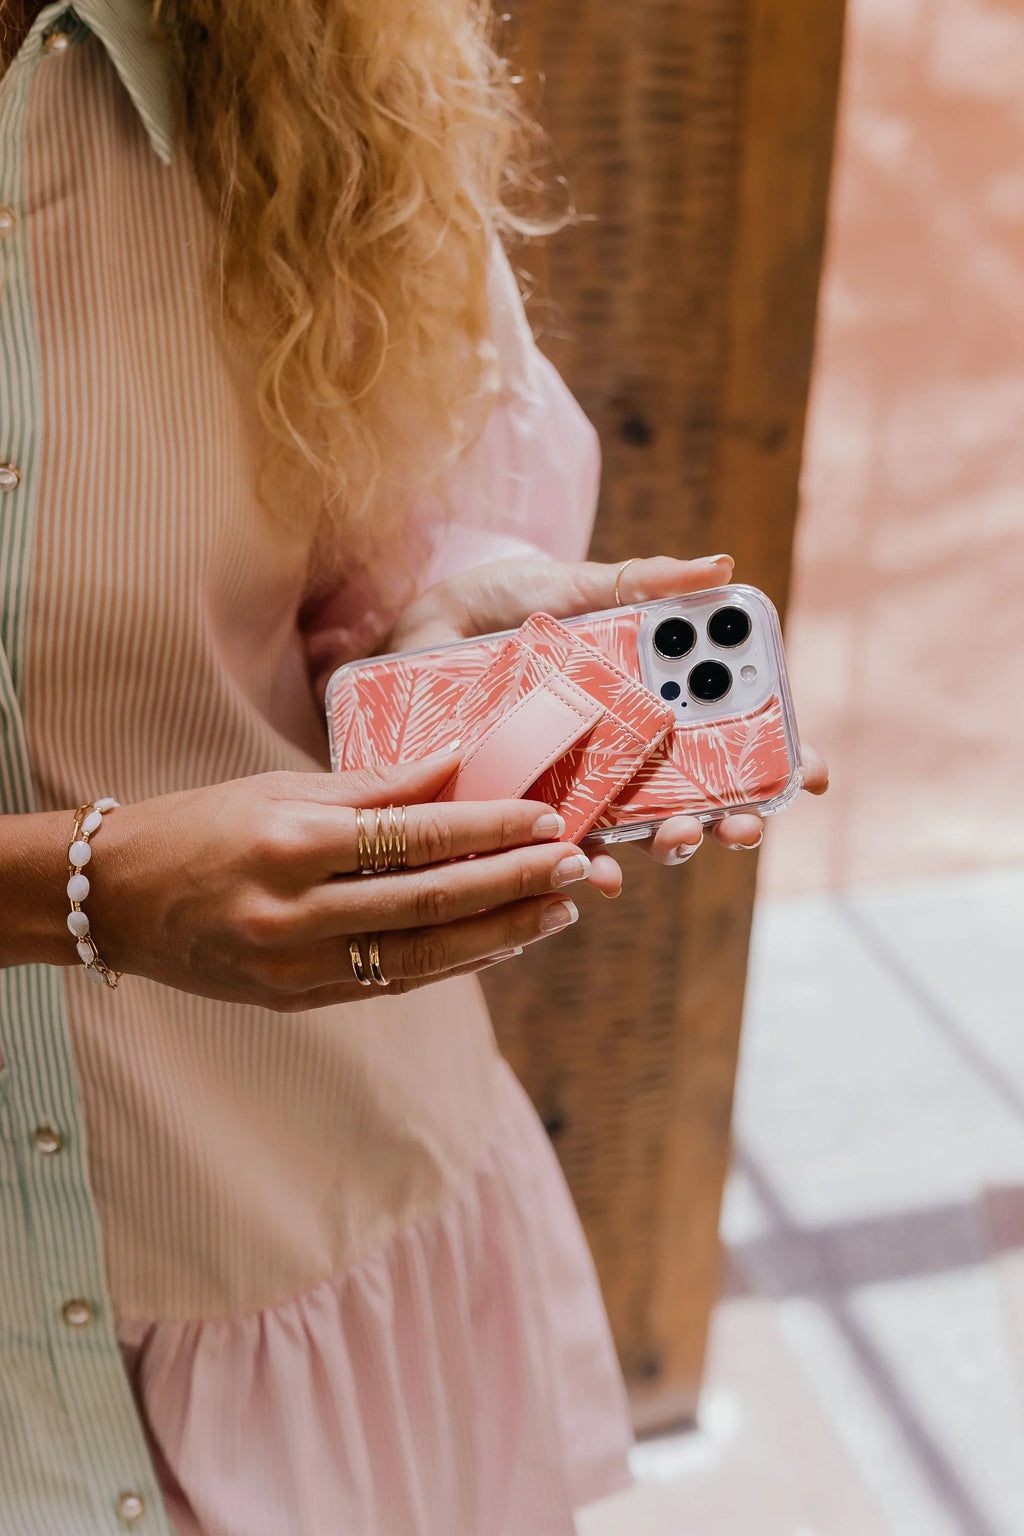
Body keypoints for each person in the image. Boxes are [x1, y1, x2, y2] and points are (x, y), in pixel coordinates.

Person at [0, 3, 828, 1534]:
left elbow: (415, 506)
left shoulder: (315, 56)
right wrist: (73, 887)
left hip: (301, 1196)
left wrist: (432, 626)